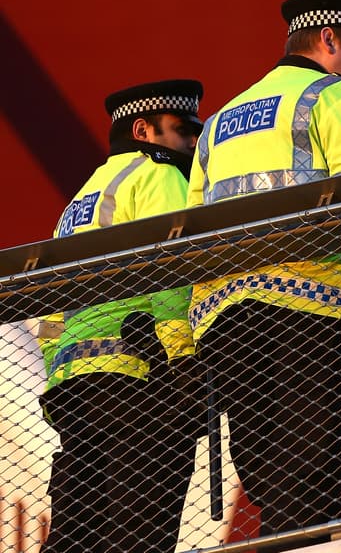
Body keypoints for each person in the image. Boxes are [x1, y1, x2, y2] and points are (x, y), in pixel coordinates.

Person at [186, 0, 341, 546]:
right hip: (311, 307)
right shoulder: (334, 95)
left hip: (224, 321)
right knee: (319, 463)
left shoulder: (217, 124)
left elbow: (190, 232)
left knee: (269, 475)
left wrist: (192, 336)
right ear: (329, 40)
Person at [39, 79, 207, 553]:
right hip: (140, 376)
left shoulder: (80, 200)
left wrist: (56, 366)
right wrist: (183, 358)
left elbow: (48, 307)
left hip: (73, 387)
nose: (192, 141)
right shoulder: (160, 176)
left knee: (77, 530)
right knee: (139, 531)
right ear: (143, 130)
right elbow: (171, 267)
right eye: (182, 129)